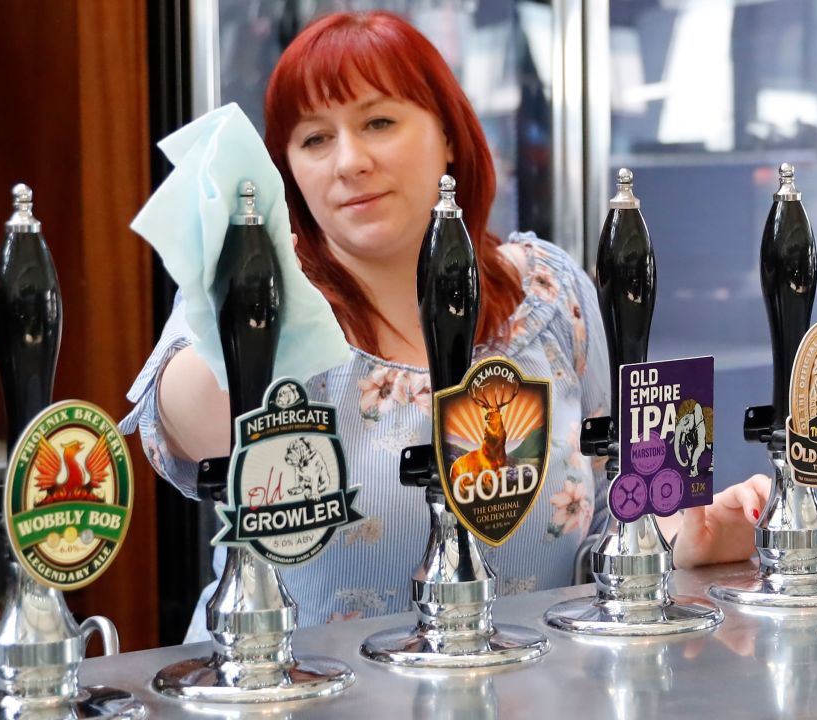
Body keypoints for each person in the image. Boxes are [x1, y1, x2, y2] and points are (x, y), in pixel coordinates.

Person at [122, 11, 768, 641]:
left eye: (378, 122)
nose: (349, 162)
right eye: (315, 139)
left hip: (529, 689)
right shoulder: (259, 304)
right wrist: (242, 297)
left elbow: (607, 513)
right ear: (284, 169)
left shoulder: (547, 289)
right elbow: (198, 434)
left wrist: (687, 537)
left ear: (449, 136)